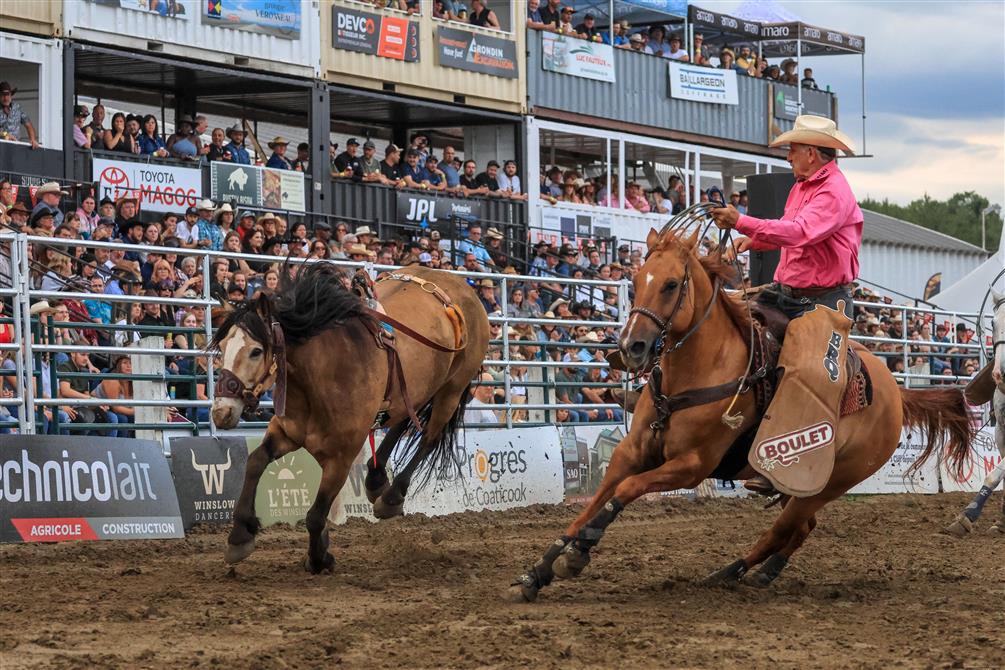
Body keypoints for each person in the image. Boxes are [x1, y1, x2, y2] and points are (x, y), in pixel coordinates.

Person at [710, 115, 861, 496]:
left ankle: (787, 459)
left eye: (793, 149)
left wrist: (743, 224)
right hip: (788, 292)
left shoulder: (834, 193)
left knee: (809, 372)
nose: (788, 155)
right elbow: (790, 228)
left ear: (812, 153)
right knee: (728, 327)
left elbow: (800, 232)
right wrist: (754, 240)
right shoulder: (804, 186)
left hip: (825, 301)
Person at [0, 81, 39, 148]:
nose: (6, 98)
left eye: (8, 95)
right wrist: (5, 135)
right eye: (3, 95)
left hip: (16, 148)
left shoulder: (17, 108)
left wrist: (33, 139)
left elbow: (29, 125)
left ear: (11, 95)